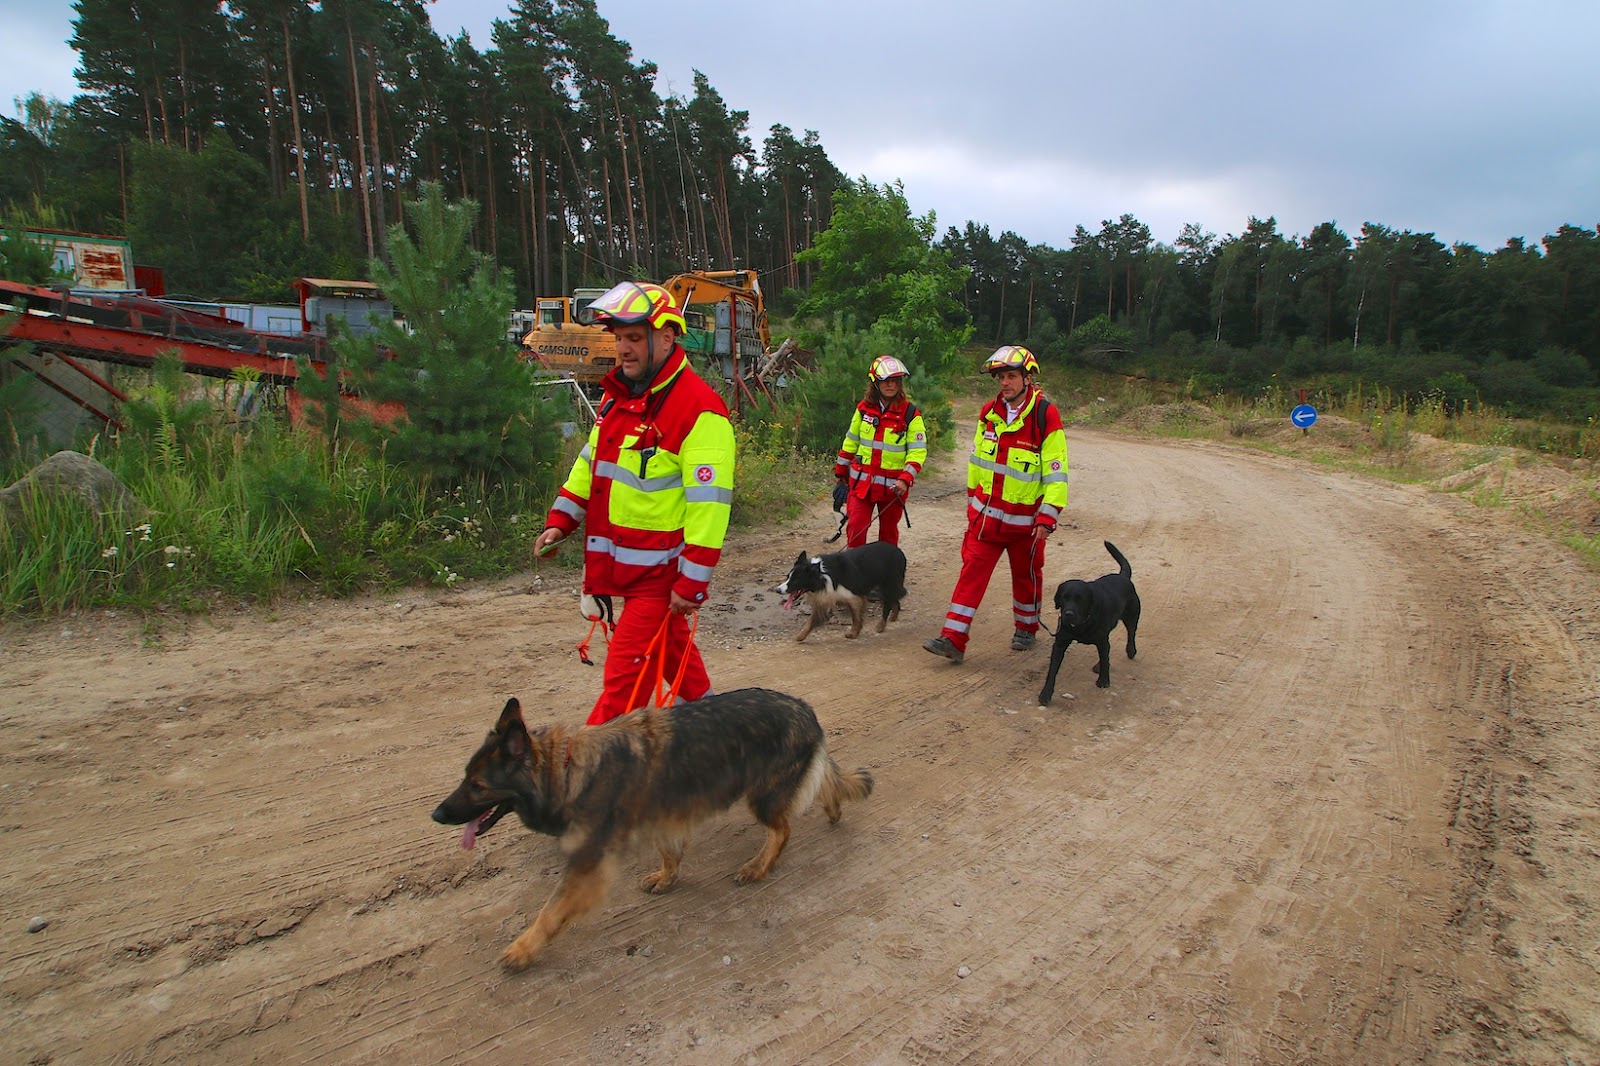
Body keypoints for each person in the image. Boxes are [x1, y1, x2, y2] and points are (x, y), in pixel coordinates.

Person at [533, 281, 735, 725]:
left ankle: (588, 778)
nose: (622, 349)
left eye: (634, 338)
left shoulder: (699, 409)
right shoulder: (619, 398)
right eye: (619, 338)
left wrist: (692, 582)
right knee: (670, 651)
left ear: (666, 336)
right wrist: (562, 518)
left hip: (660, 577)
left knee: (623, 687)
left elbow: (711, 504)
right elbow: (592, 462)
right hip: (626, 568)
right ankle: (720, 732)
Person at [923, 344, 1067, 664]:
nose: (1005, 382)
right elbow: (976, 462)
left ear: (1027, 378)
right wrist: (972, 500)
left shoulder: (1045, 415)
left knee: (1026, 576)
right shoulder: (988, 413)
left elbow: (1057, 472)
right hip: (985, 520)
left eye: (1012, 376)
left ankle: (1027, 627)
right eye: (1001, 377)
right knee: (970, 574)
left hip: (1025, 524)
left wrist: (1048, 515)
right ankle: (954, 639)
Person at [833, 355, 928, 547]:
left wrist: (905, 478)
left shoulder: (910, 414)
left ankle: (887, 574)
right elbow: (851, 441)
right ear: (875, 383)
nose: (890, 385)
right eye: (885, 381)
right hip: (862, 485)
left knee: (888, 535)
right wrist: (840, 471)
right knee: (856, 528)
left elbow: (917, 452)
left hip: (893, 488)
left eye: (895, 381)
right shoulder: (863, 409)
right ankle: (856, 573)